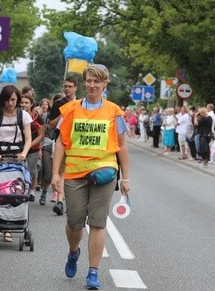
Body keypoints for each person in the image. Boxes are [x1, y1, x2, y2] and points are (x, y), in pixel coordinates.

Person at [51, 65, 130, 289]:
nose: (92, 85)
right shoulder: (70, 109)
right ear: (84, 83)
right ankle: (73, 252)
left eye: (97, 81)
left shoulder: (114, 111)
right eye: (89, 81)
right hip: (75, 173)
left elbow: (122, 146)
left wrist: (125, 178)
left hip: (104, 173)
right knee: (74, 221)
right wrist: (56, 173)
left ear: (105, 84)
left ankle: (93, 271)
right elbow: (60, 143)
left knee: (97, 222)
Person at [49, 76, 78, 215]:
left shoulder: (80, 104)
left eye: (70, 86)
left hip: (76, 142)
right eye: (65, 86)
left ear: (75, 88)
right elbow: (50, 125)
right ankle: (60, 201)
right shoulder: (58, 104)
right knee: (61, 171)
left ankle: (71, 199)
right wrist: (62, 114)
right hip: (60, 140)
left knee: (72, 173)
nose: (67, 89)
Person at [20, 94, 44, 202]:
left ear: (31, 104)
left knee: (29, 171)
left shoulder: (37, 117)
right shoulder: (16, 115)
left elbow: (41, 135)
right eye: (22, 102)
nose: (24, 105)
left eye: (26, 103)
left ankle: (28, 191)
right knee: (18, 170)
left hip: (33, 149)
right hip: (18, 148)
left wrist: (29, 144)